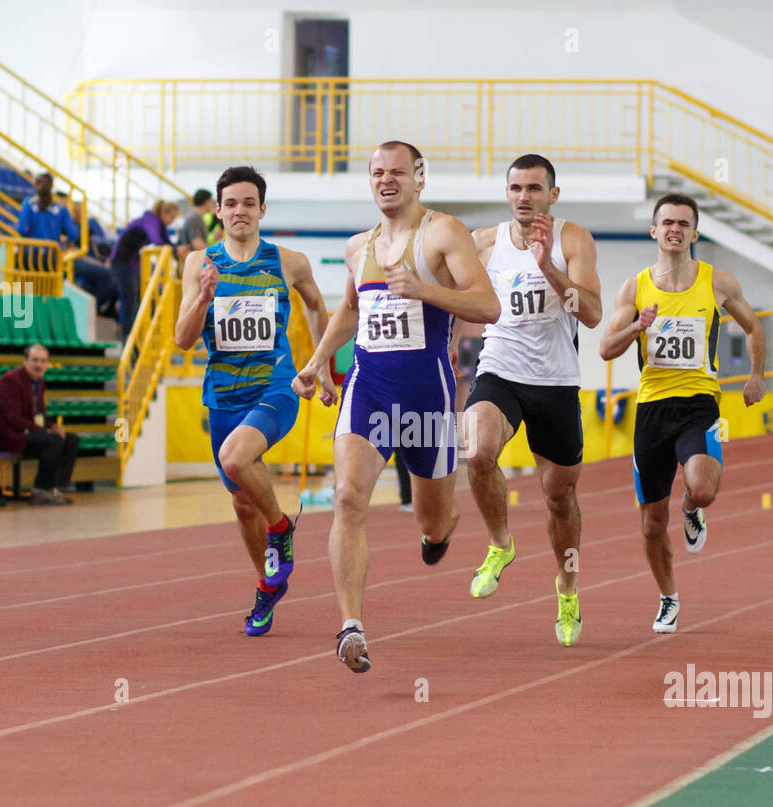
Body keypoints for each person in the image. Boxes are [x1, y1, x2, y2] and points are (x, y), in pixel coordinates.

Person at [294, 141, 500, 674]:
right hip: (369, 389)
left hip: (427, 397)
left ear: (419, 180)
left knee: (432, 520)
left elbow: (488, 305)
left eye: (398, 173)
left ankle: (441, 530)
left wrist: (426, 291)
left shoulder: (442, 233)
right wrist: (318, 361)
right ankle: (350, 627)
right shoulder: (358, 246)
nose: (388, 180)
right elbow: (350, 307)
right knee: (346, 498)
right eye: (378, 173)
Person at [175, 166, 334, 637]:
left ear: (262, 210)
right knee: (242, 505)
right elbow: (183, 340)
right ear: (218, 211)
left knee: (235, 456)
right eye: (231, 204)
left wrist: (319, 364)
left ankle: (281, 528)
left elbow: (315, 305)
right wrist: (202, 299)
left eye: (249, 203)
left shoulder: (289, 261)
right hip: (223, 395)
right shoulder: (197, 264)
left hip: (276, 385)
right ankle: (266, 588)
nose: (240, 211)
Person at [599, 193, 766, 634]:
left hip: (700, 405)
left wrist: (756, 376)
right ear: (654, 231)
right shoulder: (634, 288)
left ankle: (692, 507)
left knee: (704, 487)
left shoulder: (718, 282)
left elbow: (753, 327)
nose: (674, 229)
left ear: (694, 232)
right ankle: (668, 597)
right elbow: (605, 349)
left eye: (683, 223)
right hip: (652, 410)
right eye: (666, 222)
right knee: (653, 524)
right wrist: (638, 325)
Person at [456, 154, 601, 647]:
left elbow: (594, 314)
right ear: (507, 193)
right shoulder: (484, 243)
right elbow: (449, 289)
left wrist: (549, 270)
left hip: (556, 382)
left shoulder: (573, 239)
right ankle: (500, 543)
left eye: (535, 189)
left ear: (552, 195)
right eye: (516, 188)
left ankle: (567, 588)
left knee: (559, 498)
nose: (525, 197)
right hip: (501, 368)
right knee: (476, 452)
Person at [0, 344, 79, 505]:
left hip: (29, 433)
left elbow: (39, 415)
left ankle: (54, 488)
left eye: (43, 361)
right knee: (54, 440)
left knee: (71, 439)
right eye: (35, 360)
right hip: (9, 436)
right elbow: (13, 418)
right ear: (25, 362)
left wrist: (52, 427)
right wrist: (44, 431)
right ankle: (41, 490)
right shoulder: (10, 380)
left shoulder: (39, 384)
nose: (39, 365)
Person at [111, 200, 182, 338]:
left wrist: (178, 249)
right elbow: (158, 241)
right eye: (172, 217)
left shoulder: (159, 224)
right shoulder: (150, 220)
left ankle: (134, 340)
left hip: (132, 264)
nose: (172, 221)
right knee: (129, 303)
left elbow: (167, 243)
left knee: (136, 301)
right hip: (122, 263)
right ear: (163, 213)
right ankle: (127, 342)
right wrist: (175, 249)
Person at [16, 172, 78, 272]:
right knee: (48, 287)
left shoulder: (28, 203)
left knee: (27, 287)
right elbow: (73, 234)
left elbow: (21, 229)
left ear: (35, 185)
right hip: (51, 258)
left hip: (30, 257)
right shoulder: (61, 206)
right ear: (51, 187)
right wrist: (64, 244)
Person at [181, 189, 224, 254]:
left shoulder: (196, 217)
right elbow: (198, 246)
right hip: (193, 261)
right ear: (207, 202)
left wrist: (214, 238)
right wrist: (220, 249)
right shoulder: (194, 218)